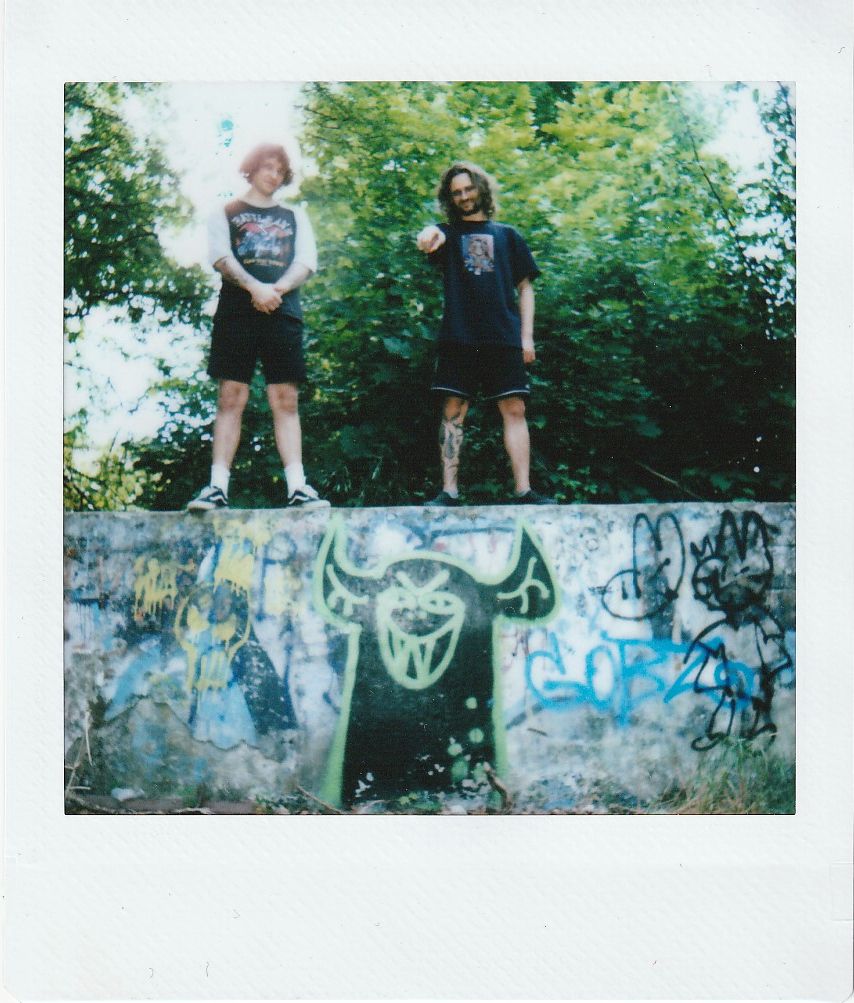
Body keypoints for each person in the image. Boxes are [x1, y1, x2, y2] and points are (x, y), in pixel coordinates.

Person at [187, 142, 329, 511]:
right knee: (231, 396)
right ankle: (217, 488)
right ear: (251, 169)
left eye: (280, 171)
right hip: (237, 311)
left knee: (285, 399)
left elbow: (307, 261)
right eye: (267, 167)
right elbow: (220, 256)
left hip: (283, 311)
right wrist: (254, 288)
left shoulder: (295, 216)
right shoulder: (226, 212)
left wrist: (275, 290)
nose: (273, 175)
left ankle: (298, 488)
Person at [416, 161, 554, 507]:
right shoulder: (447, 235)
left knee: (514, 408)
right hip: (459, 335)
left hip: (503, 335)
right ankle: (449, 492)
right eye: (456, 193)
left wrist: (526, 337)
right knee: (453, 410)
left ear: (481, 189)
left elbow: (526, 288)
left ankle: (524, 491)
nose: (464, 196)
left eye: (468, 189)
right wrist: (428, 235)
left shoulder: (508, 236)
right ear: (450, 198)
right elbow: (429, 237)